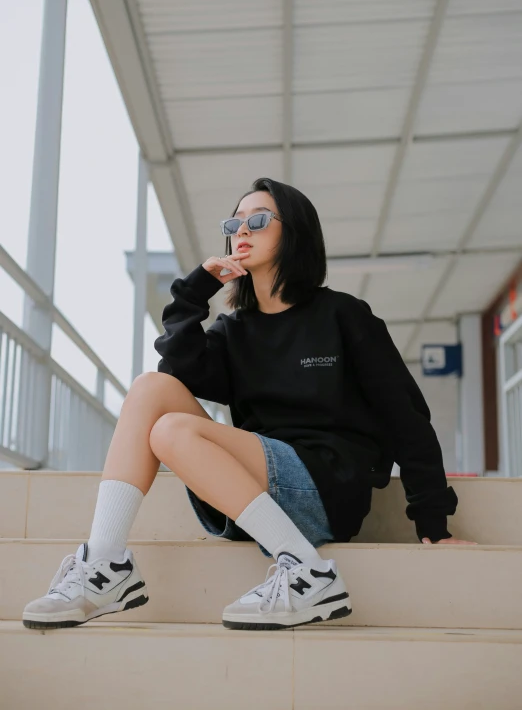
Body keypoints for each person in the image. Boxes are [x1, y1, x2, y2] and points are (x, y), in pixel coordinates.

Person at [22, 177, 476, 632]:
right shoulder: (234, 331)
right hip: (252, 497)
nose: (241, 231)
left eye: (257, 220)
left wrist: (433, 524)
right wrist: (197, 290)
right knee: (149, 388)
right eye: (233, 223)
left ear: (294, 230)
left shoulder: (342, 315)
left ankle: (306, 570)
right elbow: (178, 364)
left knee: (171, 432)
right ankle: (104, 565)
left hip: (325, 488)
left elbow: (406, 417)